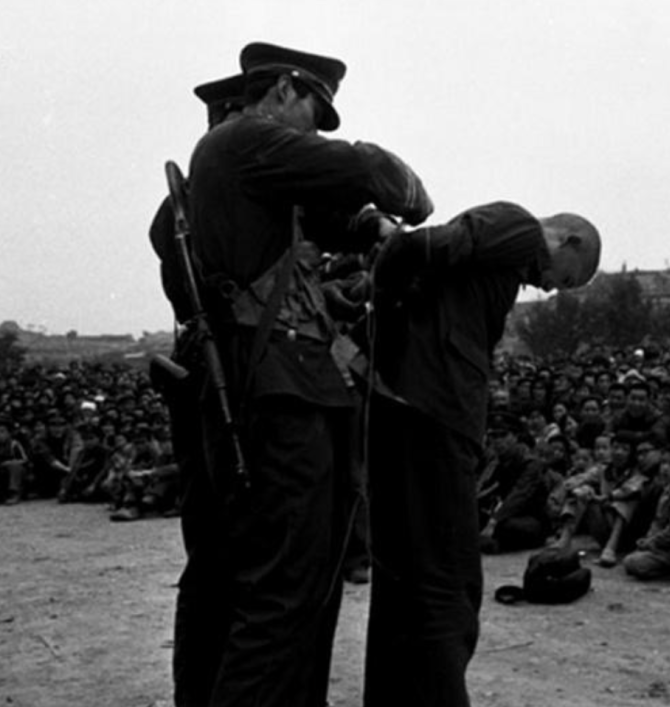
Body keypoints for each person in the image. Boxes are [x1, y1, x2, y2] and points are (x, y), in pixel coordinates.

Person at [171, 42, 433, 707]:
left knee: (290, 581)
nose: (314, 131)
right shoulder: (244, 141)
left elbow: (330, 217)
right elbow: (364, 168)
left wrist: (366, 227)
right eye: (315, 111)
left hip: (280, 383)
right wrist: (403, 199)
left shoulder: (249, 170)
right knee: (286, 587)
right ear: (285, 89)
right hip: (279, 389)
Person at [362, 200, 600, 707]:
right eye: (565, 278)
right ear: (569, 241)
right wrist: (388, 294)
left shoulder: (494, 265)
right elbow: (414, 247)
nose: (551, 288)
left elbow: (415, 258)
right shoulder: (519, 228)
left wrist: (391, 321)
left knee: (403, 574)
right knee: (450, 579)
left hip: (407, 405)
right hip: (438, 410)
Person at [622, 442, 670, 580]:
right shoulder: (668, 488)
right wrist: (648, 540)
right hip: (662, 545)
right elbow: (658, 521)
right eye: (663, 462)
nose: (665, 468)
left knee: (633, 563)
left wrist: (652, 543)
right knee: (632, 559)